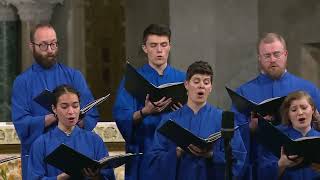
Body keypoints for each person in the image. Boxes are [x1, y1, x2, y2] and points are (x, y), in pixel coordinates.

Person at [11, 23, 99, 179]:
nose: (50, 50)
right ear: (32, 46)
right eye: (43, 45)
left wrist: (77, 118)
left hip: (74, 152)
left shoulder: (74, 76)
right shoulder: (22, 82)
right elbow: (21, 123)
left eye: (53, 44)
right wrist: (55, 117)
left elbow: (91, 114)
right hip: (40, 157)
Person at [232, 32, 320, 179]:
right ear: (259, 58)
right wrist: (250, 127)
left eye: (276, 54)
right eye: (267, 56)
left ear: (285, 54)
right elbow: (234, 133)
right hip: (262, 165)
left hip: (306, 167)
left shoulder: (308, 89)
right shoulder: (244, 92)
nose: (272, 60)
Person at [141, 61, 247, 180]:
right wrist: (177, 152)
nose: (201, 85)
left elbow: (238, 158)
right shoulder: (169, 120)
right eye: (196, 81)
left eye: (206, 82)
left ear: (211, 87)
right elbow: (153, 160)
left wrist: (211, 154)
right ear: (186, 84)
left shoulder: (224, 119)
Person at [112, 24, 186, 180]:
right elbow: (121, 115)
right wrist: (144, 112)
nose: (159, 50)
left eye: (163, 45)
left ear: (169, 46)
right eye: (153, 45)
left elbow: (196, 115)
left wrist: (183, 112)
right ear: (145, 48)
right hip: (143, 148)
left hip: (174, 151)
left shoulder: (183, 79)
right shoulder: (132, 80)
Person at [28, 85, 115, 180]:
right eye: (64, 107)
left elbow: (108, 176)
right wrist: (59, 178)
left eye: (75, 106)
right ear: (54, 109)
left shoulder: (94, 140)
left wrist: (96, 177)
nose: (71, 111)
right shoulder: (41, 144)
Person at [257, 91, 320, 179]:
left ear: (312, 110)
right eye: (294, 110)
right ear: (288, 114)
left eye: (304, 108)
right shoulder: (275, 138)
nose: (300, 112)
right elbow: (262, 175)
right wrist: (281, 165)